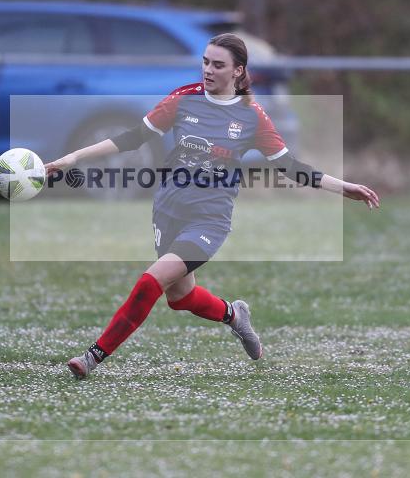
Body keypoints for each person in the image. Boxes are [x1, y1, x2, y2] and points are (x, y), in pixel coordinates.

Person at [46, 33, 380, 379]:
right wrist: (72, 158)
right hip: (168, 210)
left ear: (238, 71)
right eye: (205, 62)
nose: (208, 70)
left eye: (218, 65)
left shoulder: (251, 116)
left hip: (209, 220)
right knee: (180, 297)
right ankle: (234, 315)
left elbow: (289, 167)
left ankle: (92, 357)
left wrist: (343, 187)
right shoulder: (184, 98)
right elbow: (132, 138)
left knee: (150, 282)